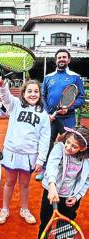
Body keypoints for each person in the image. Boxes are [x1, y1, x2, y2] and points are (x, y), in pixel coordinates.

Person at [30, 125, 89, 239]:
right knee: (45, 224)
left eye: (74, 146)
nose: (69, 147)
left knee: (63, 227)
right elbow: (51, 166)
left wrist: (76, 196)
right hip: (51, 194)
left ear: (82, 149)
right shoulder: (59, 148)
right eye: (68, 142)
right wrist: (51, 186)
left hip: (70, 198)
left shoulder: (86, 159)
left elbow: (86, 179)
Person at [0, 78, 50, 225]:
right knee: (10, 182)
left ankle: (24, 209)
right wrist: (2, 86)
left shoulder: (43, 115)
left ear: (40, 94)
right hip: (12, 152)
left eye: (36, 91)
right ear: (23, 93)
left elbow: (45, 139)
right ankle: (5, 209)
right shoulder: (16, 105)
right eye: (29, 91)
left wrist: (41, 160)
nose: (33, 94)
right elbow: (5, 96)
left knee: (25, 184)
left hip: (29, 155)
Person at [35, 49, 85, 181]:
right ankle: (45, 169)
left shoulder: (76, 77)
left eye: (64, 57)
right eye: (59, 57)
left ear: (69, 60)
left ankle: (68, 170)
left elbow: (81, 98)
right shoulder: (48, 77)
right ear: (56, 60)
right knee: (47, 143)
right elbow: (43, 96)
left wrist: (68, 107)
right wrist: (47, 114)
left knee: (70, 143)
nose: (61, 59)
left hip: (68, 118)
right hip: (50, 119)